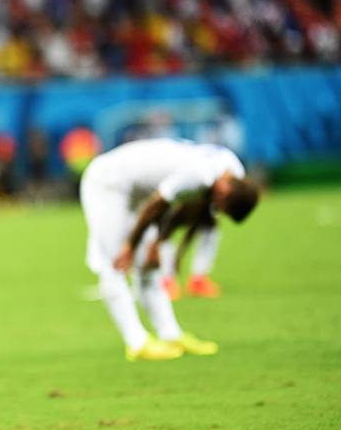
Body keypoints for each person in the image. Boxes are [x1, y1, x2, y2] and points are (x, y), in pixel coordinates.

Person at [80, 139, 258, 361]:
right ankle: (136, 342)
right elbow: (159, 203)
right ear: (224, 190)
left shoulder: (232, 170)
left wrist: (157, 243)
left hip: (139, 191)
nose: (218, 208)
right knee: (115, 262)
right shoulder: (200, 175)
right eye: (221, 205)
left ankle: (170, 335)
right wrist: (131, 245)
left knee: (149, 267)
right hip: (108, 183)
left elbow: (188, 208)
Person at [157, 206, 222, 300]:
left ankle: (198, 281)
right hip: (172, 206)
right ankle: (166, 281)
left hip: (196, 204)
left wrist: (179, 256)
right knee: (163, 231)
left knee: (210, 228)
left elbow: (192, 230)